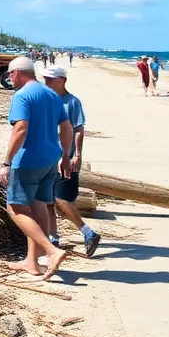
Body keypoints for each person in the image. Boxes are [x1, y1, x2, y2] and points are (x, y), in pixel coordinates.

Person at [0, 56, 72, 279]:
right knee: (38, 206)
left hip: (28, 160)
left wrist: (6, 162)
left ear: (18, 73)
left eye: (10, 74)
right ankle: (32, 262)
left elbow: (21, 128)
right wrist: (66, 156)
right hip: (50, 159)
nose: (9, 78)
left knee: (16, 209)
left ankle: (51, 251)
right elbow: (67, 128)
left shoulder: (22, 96)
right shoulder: (51, 94)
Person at [42, 66, 100, 257]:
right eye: (45, 79)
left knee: (61, 198)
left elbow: (78, 130)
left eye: (50, 79)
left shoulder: (72, 102)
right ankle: (53, 237)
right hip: (48, 158)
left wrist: (76, 156)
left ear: (62, 80)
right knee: (48, 199)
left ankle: (88, 232)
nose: (47, 82)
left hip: (65, 159)